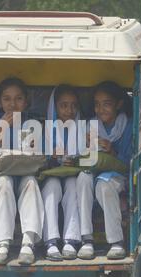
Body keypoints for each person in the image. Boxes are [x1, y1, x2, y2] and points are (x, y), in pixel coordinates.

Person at [0, 78, 44, 265]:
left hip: (26, 172)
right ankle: (2, 243)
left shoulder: (31, 123)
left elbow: (33, 154)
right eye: (7, 99)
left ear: (26, 101)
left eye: (18, 98)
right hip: (3, 174)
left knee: (30, 182)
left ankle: (28, 243)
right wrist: (2, 130)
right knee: (4, 182)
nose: (12, 104)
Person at [76, 81, 132, 261]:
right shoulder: (90, 125)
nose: (101, 109)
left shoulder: (127, 125)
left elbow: (128, 161)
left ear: (118, 104)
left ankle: (116, 242)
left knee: (104, 186)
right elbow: (82, 158)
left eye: (106, 104)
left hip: (117, 176)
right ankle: (86, 239)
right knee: (83, 179)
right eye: (97, 104)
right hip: (93, 172)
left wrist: (112, 150)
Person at [41, 85, 92, 262]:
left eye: (73, 105)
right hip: (50, 177)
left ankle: (71, 240)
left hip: (72, 177)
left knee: (72, 186)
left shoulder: (84, 129)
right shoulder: (43, 130)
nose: (69, 111)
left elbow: (91, 157)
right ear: (55, 107)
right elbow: (36, 159)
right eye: (63, 105)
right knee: (52, 188)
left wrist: (76, 160)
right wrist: (51, 157)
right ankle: (51, 241)